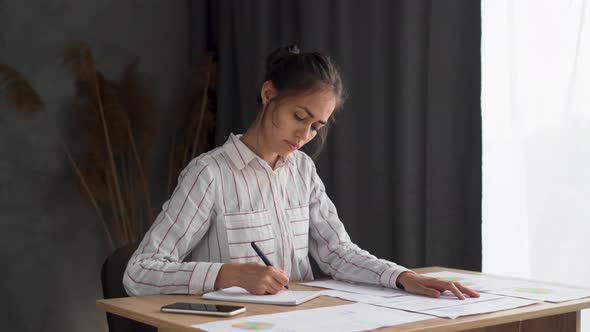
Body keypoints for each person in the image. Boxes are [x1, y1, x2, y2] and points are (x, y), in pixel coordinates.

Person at [123, 45, 480, 300]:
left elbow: (336, 251)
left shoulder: (302, 170)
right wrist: (227, 274)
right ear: (268, 94)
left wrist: (401, 277)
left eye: (316, 126)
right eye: (299, 116)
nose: (304, 135)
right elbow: (139, 272)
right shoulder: (210, 174)